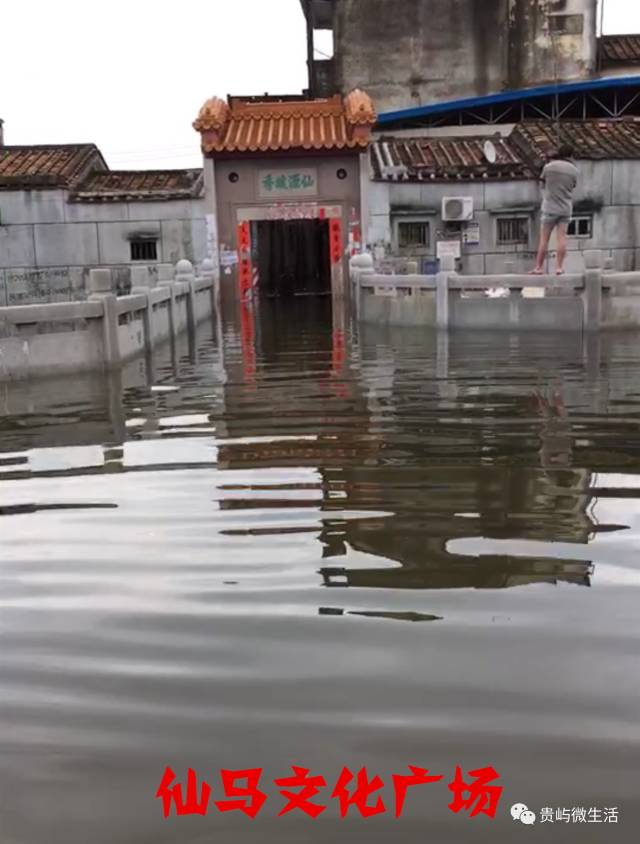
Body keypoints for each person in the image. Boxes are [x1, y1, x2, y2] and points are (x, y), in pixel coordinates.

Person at [530, 144, 578, 276]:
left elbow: (542, 183)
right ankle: (559, 267)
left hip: (550, 207)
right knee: (561, 238)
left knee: (544, 239)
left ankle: (539, 267)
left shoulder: (548, 167)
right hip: (565, 208)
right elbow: (573, 186)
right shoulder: (574, 170)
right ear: (571, 155)